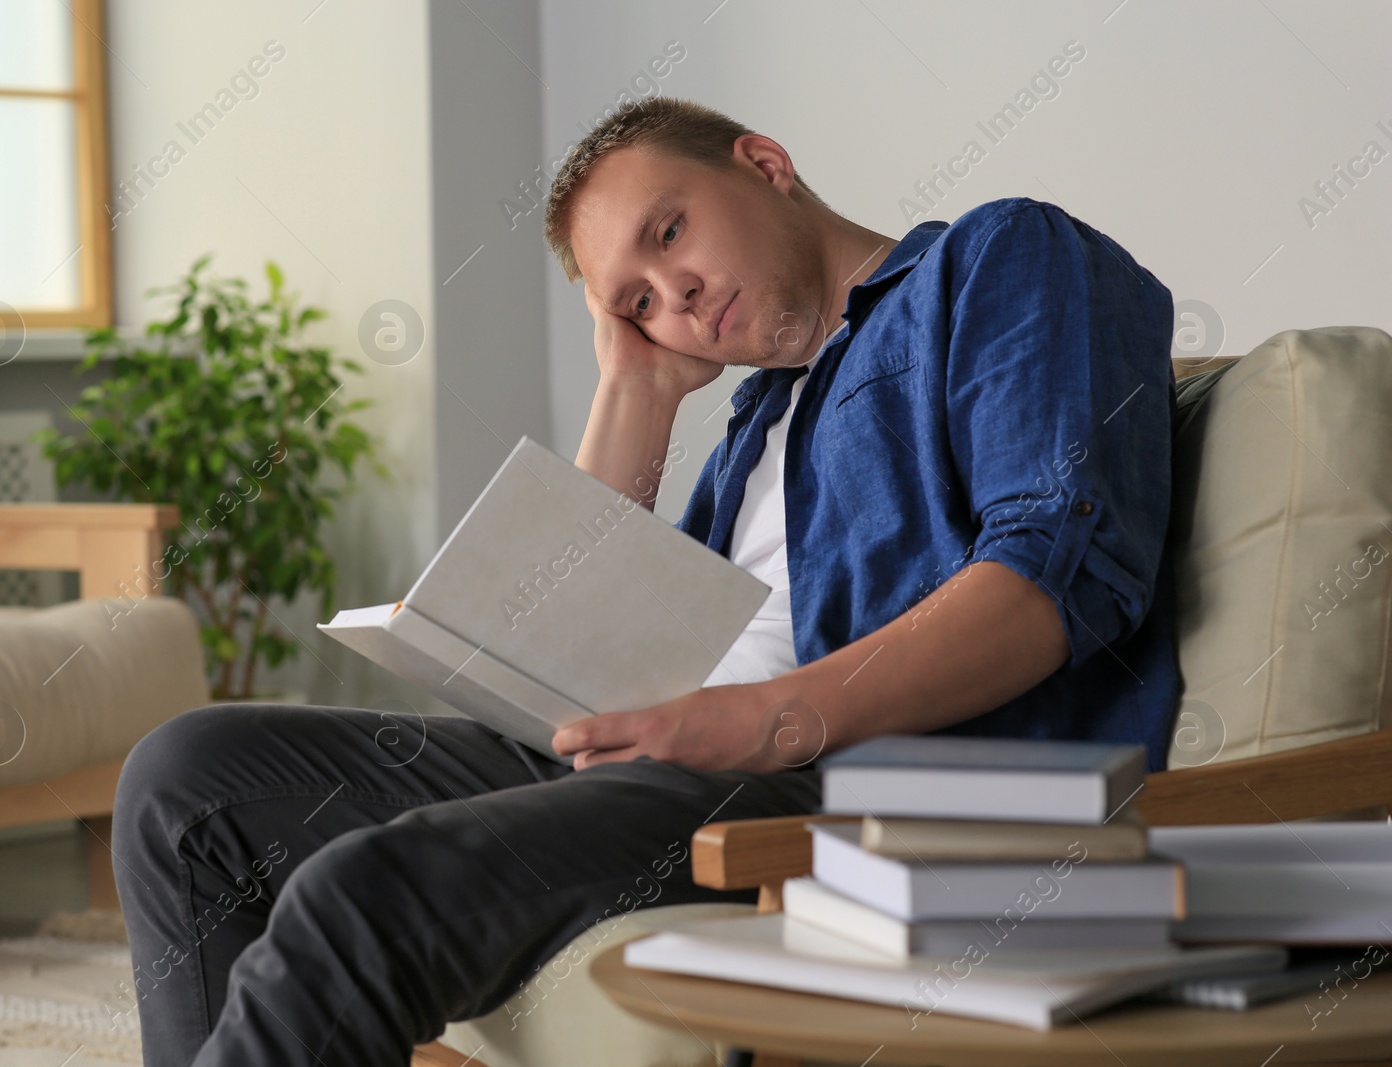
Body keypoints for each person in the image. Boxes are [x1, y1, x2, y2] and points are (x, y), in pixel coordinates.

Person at [113, 96, 1179, 1066]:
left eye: (668, 235)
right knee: (185, 778)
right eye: (634, 301)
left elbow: (1055, 571)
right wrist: (638, 387)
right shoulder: (759, 424)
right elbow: (569, 655)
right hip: (663, 754)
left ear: (763, 163)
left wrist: (766, 719)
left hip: (849, 774)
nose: (672, 294)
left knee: (366, 890)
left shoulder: (995, 259)